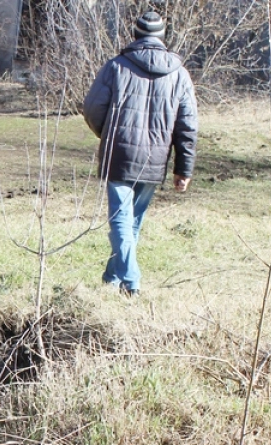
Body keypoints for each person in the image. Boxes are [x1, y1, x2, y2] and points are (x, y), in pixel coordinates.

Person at [82, 11, 198, 297]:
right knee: (131, 223)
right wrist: (184, 169)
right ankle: (112, 279)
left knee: (122, 221)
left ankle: (131, 281)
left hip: (119, 153)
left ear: (135, 36)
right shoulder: (179, 74)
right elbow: (188, 125)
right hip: (155, 158)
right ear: (161, 38)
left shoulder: (116, 67)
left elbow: (92, 109)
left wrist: (106, 135)